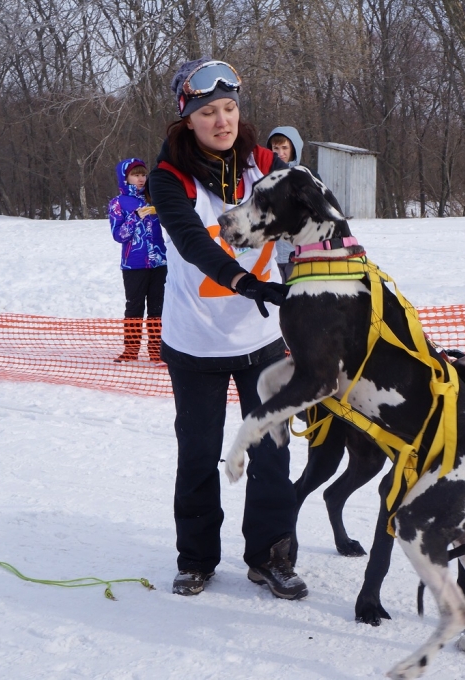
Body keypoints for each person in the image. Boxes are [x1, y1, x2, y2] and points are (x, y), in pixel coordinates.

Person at [146, 58, 305, 599]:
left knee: (272, 448)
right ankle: (195, 559)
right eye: (208, 111)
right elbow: (193, 241)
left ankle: (271, 558)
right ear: (187, 120)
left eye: (230, 108)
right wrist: (246, 280)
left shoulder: (265, 163)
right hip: (195, 341)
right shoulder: (170, 177)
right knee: (198, 452)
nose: (222, 121)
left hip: (261, 341)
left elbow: (315, 216)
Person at [108, 158, 167, 363]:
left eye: (143, 174)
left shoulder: (154, 197)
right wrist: (136, 217)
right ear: (125, 178)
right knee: (134, 307)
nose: (141, 179)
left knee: (158, 308)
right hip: (133, 264)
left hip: (159, 261)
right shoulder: (118, 203)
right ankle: (131, 350)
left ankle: (157, 351)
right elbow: (119, 236)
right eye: (135, 175)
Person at [266, 126, 306, 282]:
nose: (280, 153)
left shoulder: (304, 176)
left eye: (285, 148)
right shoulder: (264, 176)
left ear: (294, 150)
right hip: (270, 253)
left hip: (297, 252)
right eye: (275, 148)